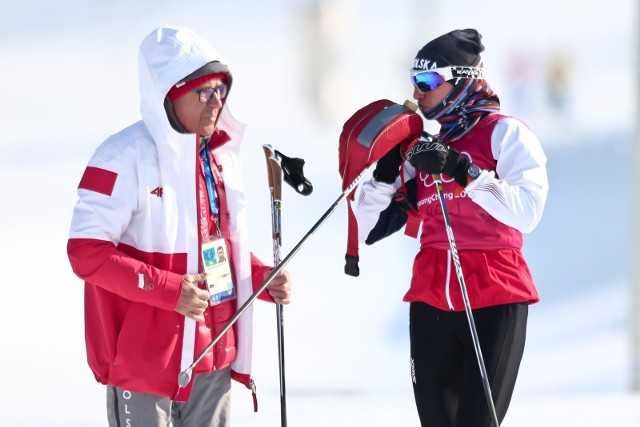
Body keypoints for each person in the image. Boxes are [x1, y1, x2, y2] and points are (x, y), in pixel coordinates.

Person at [67, 26, 292, 427]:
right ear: (168, 96)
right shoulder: (122, 156)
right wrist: (169, 291)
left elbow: (212, 246)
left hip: (216, 351)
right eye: (203, 92)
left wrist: (258, 277)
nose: (216, 102)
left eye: (221, 90)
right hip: (146, 362)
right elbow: (86, 254)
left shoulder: (220, 156)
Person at [355, 29, 548, 426]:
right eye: (413, 82)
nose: (418, 92)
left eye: (427, 82)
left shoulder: (506, 133)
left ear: (461, 80)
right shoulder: (423, 148)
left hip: (496, 293)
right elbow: (365, 226)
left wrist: (463, 171)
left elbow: (528, 212)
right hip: (431, 296)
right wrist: (386, 171)